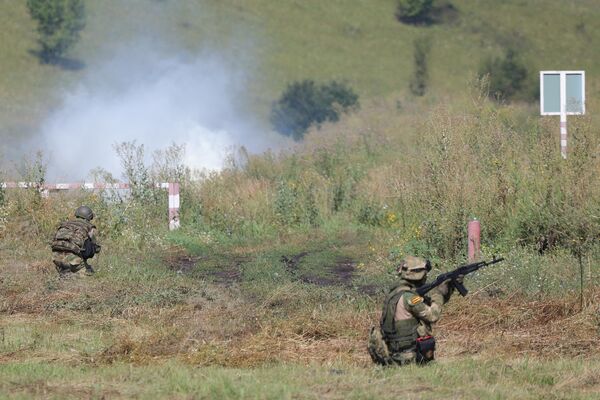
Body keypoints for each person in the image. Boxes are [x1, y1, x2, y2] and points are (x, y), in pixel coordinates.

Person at [368, 255, 460, 366]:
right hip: (409, 357)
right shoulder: (409, 297)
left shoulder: (395, 294)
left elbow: (428, 305)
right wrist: (438, 295)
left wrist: (448, 289)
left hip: (394, 354)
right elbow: (433, 315)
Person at [51, 205, 101, 275]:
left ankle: (64, 273)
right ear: (89, 217)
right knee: (90, 273)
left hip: (56, 259)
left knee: (64, 272)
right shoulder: (89, 227)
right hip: (73, 261)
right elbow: (97, 248)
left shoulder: (65, 224)